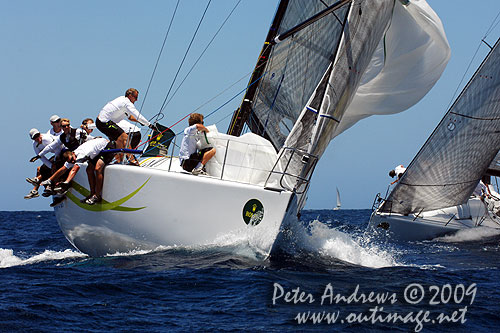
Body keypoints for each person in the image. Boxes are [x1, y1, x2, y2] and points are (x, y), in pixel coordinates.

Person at [42, 138, 115, 206]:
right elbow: (63, 169)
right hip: (97, 151)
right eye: (71, 161)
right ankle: (92, 194)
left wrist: (66, 182)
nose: (73, 161)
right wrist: (49, 180)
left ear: (73, 154)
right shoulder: (72, 156)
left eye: (73, 159)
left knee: (97, 168)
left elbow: (74, 169)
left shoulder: (80, 154)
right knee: (89, 170)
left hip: (107, 146)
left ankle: (97, 196)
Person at [96, 88, 153, 163]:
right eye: (135, 97)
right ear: (130, 96)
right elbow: (137, 115)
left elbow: (130, 117)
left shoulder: (122, 100)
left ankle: (119, 161)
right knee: (125, 138)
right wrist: (150, 125)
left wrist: (140, 122)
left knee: (119, 142)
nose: (136, 100)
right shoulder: (127, 103)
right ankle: (133, 161)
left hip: (101, 122)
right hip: (104, 122)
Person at [25, 129, 55, 199]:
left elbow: (57, 148)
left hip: (60, 151)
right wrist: (51, 166)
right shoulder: (35, 145)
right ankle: (41, 188)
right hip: (55, 154)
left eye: (37, 136)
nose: (37, 138)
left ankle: (38, 182)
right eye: (34, 137)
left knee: (46, 168)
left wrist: (52, 165)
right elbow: (42, 158)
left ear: (40, 134)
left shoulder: (46, 139)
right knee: (41, 169)